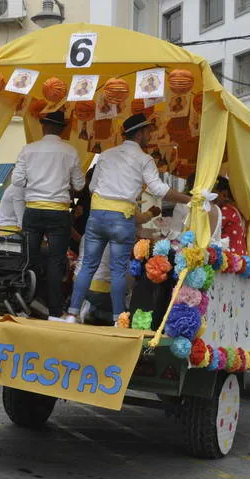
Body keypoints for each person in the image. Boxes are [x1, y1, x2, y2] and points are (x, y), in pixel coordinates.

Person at [65, 114, 191, 324]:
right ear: (140, 133)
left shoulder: (106, 155)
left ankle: (71, 314)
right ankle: (118, 319)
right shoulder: (144, 159)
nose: (150, 135)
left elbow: (93, 187)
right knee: (117, 270)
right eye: (148, 131)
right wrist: (188, 199)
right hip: (121, 218)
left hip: (97, 215)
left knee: (88, 265)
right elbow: (159, 189)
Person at [12, 110, 85, 318]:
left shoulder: (28, 150)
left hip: (33, 210)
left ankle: (24, 306)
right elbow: (80, 184)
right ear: (62, 130)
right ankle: (54, 311)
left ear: (43, 127)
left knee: (28, 259)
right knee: (56, 261)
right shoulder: (69, 151)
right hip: (58, 212)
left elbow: (17, 181)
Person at [213, 177, 246, 256]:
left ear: (224, 194)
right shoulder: (235, 210)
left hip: (231, 258)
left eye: (213, 194)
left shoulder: (226, 210)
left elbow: (213, 232)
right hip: (239, 256)